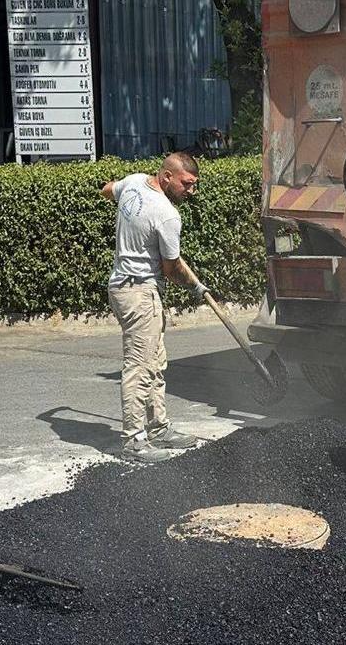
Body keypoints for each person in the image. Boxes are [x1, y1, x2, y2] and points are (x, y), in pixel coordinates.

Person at [100, 153, 209, 463]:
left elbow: (108, 189)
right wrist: (196, 286)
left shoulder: (133, 183)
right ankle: (134, 440)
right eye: (187, 184)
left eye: (194, 185)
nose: (191, 191)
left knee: (156, 361)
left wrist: (132, 221)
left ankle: (158, 427)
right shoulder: (167, 215)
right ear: (166, 177)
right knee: (140, 365)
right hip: (140, 291)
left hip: (123, 287)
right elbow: (172, 269)